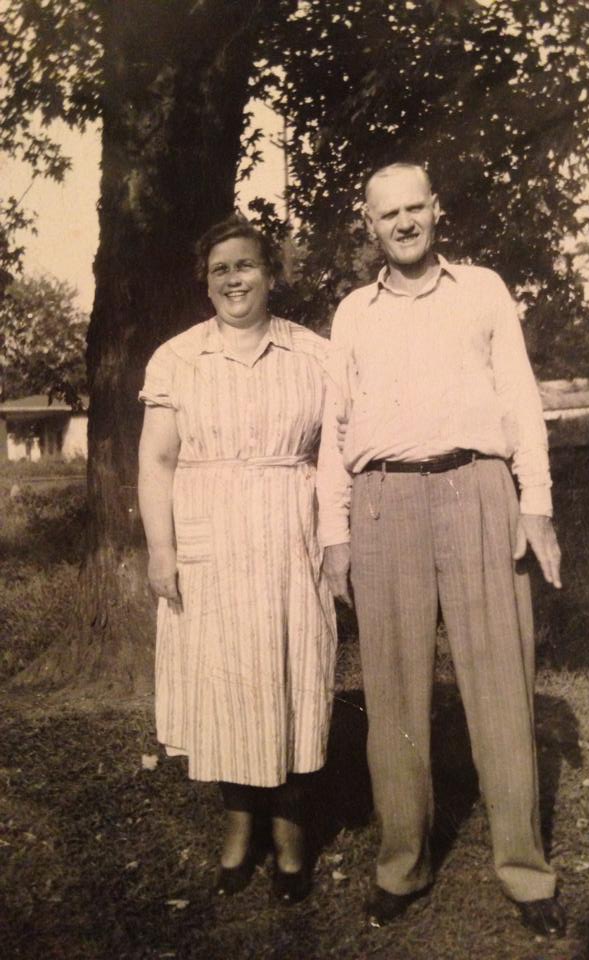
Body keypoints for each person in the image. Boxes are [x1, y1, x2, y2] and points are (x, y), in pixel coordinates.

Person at [316, 163, 566, 937]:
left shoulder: (483, 290)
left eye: (413, 208)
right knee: (392, 692)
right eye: (386, 213)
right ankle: (402, 864)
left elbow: (521, 399)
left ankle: (525, 870)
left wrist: (536, 505)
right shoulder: (352, 313)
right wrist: (334, 533)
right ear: (369, 225)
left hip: (478, 488)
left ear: (436, 211)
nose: (402, 223)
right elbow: (334, 428)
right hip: (384, 499)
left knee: (500, 681)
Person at [137, 214, 337, 903]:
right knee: (225, 688)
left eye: (245, 265)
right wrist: (161, 550)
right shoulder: (177, 357)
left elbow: (338, 458)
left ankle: (290, 835)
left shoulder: (315, 354)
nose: (233, 279)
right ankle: (237, 829)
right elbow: (157, 461)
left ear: (270, 274)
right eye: (219, 269)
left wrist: (335, 539)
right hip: (210, 543)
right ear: (205, 282)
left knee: (292, 678)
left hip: (289, 540)